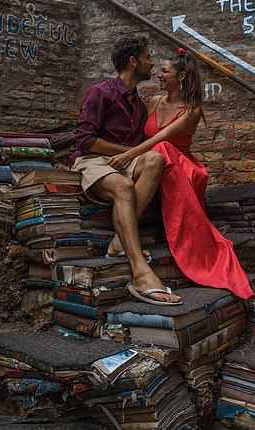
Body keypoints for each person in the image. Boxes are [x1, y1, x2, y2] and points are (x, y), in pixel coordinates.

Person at [107, 48, 253, 300]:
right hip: (152, 160)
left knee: (162, 148)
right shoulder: (153, 102)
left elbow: (162, 138)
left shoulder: (192, 110)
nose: (158, 75)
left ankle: (122, 237)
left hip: (182, 164)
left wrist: (128, 156)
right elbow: (140, 136)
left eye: (165, 71)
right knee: (157, 154)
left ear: (182, 76)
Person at [69, 36, 182, 305]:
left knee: (155, 159)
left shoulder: (137, 103)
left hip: (122, 161)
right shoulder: (100, 93)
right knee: (123, 185)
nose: (152, 63)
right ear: (133, 61)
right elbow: (84, 140)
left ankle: (120, 241)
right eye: (147, 57)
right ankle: (141, 272)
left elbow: (142, 147)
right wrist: (124, 153)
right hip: (92, 160)